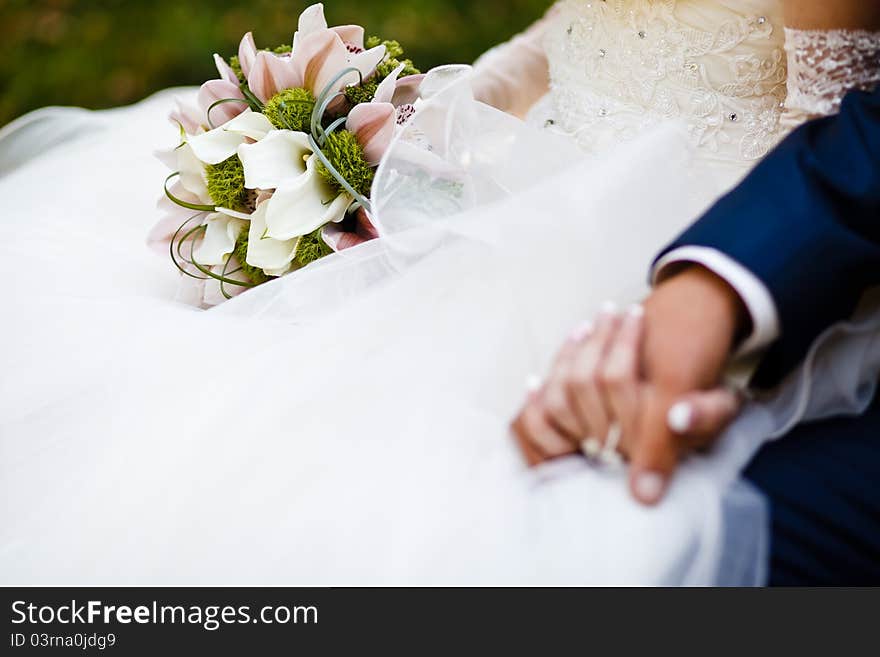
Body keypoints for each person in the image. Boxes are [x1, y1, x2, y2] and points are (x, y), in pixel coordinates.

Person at [0, 1, 877, 585]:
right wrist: (424, 117)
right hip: (524, 171)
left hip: (673, 222)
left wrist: (694, 287)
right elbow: (575, 26)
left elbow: (832, 118)